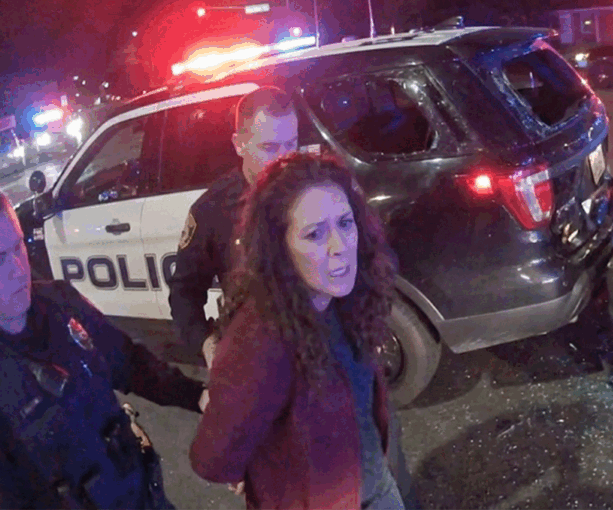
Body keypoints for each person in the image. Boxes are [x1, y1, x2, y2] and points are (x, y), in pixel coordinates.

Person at [190, 152, 409, 509]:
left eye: (345, 223)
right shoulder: (261, 339)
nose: (340, 247)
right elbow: (212, 459)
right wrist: (254, 463)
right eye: (314, 234)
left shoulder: (346, 298)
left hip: (375, 486)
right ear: (281, 247)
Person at [0, 190, 205, 509]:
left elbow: (131, 364)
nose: (16, 268)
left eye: (18, 246)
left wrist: (199, 396)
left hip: (142, 495)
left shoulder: (59, 303)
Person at [168, 85, 299, 362]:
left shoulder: (314, 188)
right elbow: (184, 293)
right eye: (269, 147)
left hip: (318, 347)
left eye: (291, 144)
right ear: (239, 144)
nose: (284, 159)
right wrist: (208, 346)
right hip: (258, 356)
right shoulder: (212, 210)